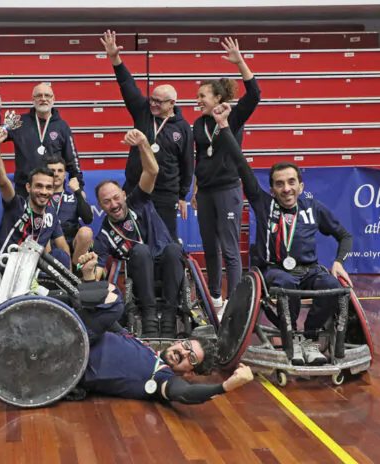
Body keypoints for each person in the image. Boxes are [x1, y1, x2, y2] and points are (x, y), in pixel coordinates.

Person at [213, 102, 353, 366]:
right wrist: (223, 126)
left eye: (291, 182)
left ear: (301, 185)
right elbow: (241, 164)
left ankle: (308, 337)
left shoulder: (313, 208)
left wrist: (338, 262)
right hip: (275, 271)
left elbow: (344, 235)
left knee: (332, 287)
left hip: (309, 270)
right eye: (280, 184)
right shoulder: (263, 203)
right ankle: (291, 339)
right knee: (286, 284)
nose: (286, 188)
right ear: (272, 188)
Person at [75, 251, 254, 403]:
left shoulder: (162, 377)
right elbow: (108, 323)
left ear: (189, 375)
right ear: (179, 342)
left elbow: (185, 394)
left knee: (115, 300)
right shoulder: (146, 350)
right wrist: (89, 276)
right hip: (79, 336)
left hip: (76, 356)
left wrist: (227, 386)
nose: (183, 352)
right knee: (106, 296)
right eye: (186, 346)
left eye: (190, 357)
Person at [190, 37, 262, 315]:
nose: (197, 101)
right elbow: (199, 157)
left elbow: (255, 94)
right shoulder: (198, 124)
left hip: (227, 190)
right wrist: (195, 190)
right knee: (210, 248)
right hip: (206, 192)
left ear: (217, 98)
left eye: (202, 97)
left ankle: (235, 303)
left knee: (230, 249)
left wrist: (240, 62)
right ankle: (216, 300)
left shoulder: (233, 117)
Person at [100, 30, 194, 241]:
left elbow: (188, 163)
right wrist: (115, 58)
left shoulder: (183, 128)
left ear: (172, 104)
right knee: (133, 238)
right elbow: (127, 85)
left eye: (159, 102)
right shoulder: (143, 111)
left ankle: (166, 275)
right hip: (136, 189)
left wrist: (182, 196)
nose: (152, 104)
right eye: (152, 99)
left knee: (165, 241)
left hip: (165, 194)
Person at [92, 129, 185, 339]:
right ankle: (149, 316)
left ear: (124, 195)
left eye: (116, 198)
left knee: (174, 248)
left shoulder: (138, 201)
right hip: (140, 278)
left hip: (166, 266)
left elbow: (151, 171)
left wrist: (143, 143)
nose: (114, 205)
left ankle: (170, 316)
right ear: (100, 205)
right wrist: (88, 268)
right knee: (141, 250)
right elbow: (98, 269)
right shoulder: (104, 235)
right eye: (106, 202)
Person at [0, 127, 71, 269]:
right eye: (39, 186)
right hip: (5, 268)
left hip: (31, 270)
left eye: (48, 187)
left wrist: (71, 282)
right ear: (28, 188)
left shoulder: (51, 214)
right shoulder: (16, 206)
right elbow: (2, 181)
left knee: (61, 255)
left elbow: (63, 246)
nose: (44, 191)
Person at [4, 83, 84, 199]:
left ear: (53, 99)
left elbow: (73, 161)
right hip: (24, 190)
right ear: (33, 99)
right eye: (39, 96)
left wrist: (80, 188)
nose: (43, 99)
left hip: (52, 190)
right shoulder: (18, 122)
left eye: (47, 95)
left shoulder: (62, 126)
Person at [44, 156, 94, 267]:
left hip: (72, 241)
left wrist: (77, 191)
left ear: (65, 174)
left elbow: (88, 219)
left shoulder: (73, 195)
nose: (56, 174)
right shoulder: (41, 195)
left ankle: (76, 269)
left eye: (60, 170)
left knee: (86, 232)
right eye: (52, 171)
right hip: (48, 242)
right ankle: (48, 271)